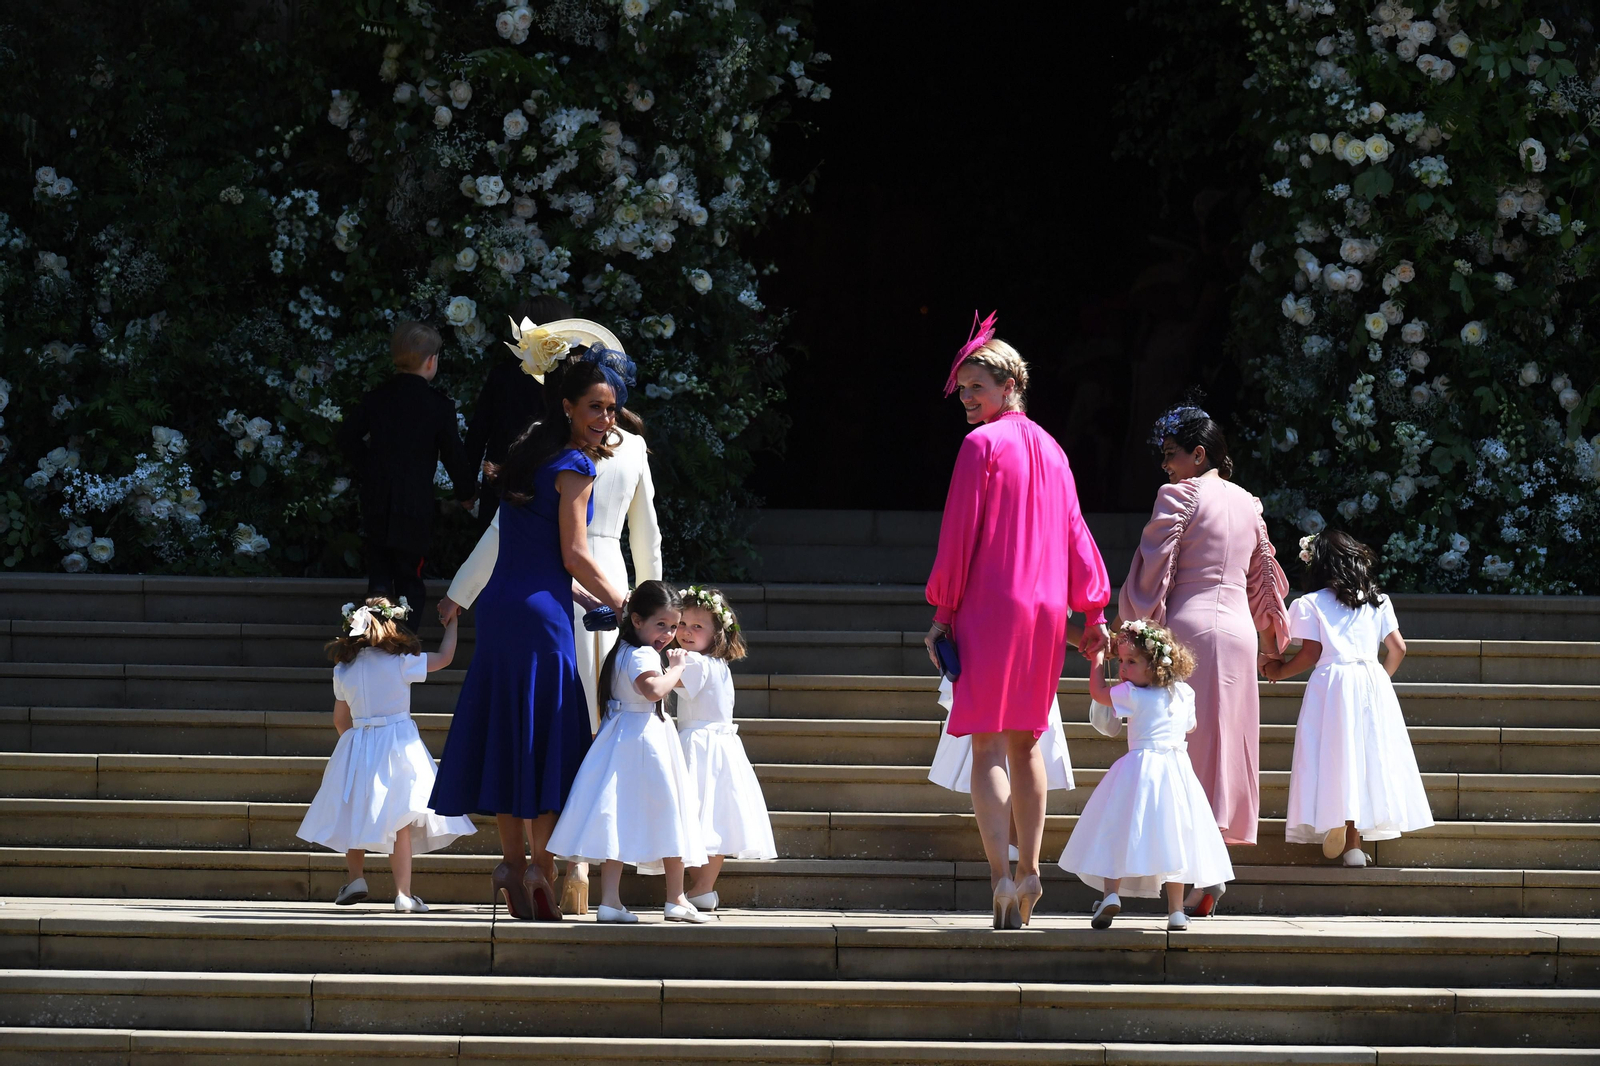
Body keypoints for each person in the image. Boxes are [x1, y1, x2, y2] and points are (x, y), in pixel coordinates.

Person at [442, 317, 662, 914]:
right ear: (567, 404)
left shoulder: (524, 453)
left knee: (510, 738)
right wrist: (624, 605)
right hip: (544, 619)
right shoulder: (576, 466)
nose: (606, 420)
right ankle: (543, 870)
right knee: (544, 744)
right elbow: (574, 553)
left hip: (507, 609)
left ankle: (513, 869)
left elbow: (522, 543)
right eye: (596, 407)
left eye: (612, 409)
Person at [923, 312, 1112, 930]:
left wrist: (943, 611)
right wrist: (1094, 608)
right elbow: (1076, 532)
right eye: (964, 389)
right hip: (1044, 612)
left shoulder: (980, 446)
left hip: (989, 606)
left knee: (986, 746)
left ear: (1009, 385)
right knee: (1028, 740)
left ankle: (1002, 877)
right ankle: (1030, 868)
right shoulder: (1054, 449)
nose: (967, 399)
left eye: (976, 387)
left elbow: (959, 536)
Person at [1116, 404, 1289, 914]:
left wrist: (1134, 625)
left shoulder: (1179, 495)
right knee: (1224, 750)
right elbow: (1264, 582)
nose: (1165, 466)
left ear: (1198, 454)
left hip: (1191, 629)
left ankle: (1202, 871)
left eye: (1171, 456)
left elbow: (1152, 575)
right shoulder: (1248, 504)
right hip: (1238, 634)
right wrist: (1272, 638)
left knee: (1185, 752)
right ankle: (1208, 871)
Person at [1261, 530, 1433, 866]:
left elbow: (1311, 653)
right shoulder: (1379, 600)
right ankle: (1354, 845)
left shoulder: (1310, 603)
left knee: (1333, 753)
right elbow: (1398, 648)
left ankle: (1334, 817)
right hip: (1371, 680)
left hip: (1332, 682)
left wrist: (1276, 672)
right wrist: (1379, 680)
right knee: (1366, 757)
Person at [546, 582, 713, 923]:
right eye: (661, 625)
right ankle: (675, 897)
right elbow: (651, 690)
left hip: (622, 737)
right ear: (636, 620)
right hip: (645, 741)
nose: (668, 634)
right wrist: (677, 668)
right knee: (670, 811)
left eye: (673, 626)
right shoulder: (643, 653)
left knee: (617, 817)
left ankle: (610, 900)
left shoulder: (622, 649)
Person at [296, 597, 476, 913]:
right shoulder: (401, 662)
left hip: (359, 740)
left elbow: (340, 720)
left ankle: (355, 878)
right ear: (391, 625)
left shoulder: (344, 669)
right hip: (397, 745)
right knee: (400, 818)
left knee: (354, 810)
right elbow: (446, 657)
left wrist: (356, 746)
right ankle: (403, 894)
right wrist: (453, 623)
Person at [1058, 620, 1233, 931]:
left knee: (1119, 829)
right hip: (1177, 772)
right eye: (1121, 661)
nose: (1123, 669)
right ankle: (1176, 911)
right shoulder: (1184, 693)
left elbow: (1099, 694)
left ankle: (1111, 894)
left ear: (1154, 666)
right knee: (1174, 836)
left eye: (1131, 662)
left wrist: (1099, 659)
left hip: (1138, 769)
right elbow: (1190, 726)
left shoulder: (1131, 694)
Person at [338, 321, 477, 622]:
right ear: (431, 361)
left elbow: (347, 437)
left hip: (377, 499)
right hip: (415, 504)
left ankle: (373, 639)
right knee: (409, 577)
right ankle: (404, 642)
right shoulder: (438, 406)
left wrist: (370, 467)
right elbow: (453, 455)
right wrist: (467, 494)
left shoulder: (376, 398)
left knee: (378, 574)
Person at [927, 617, 1084, 858]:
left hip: (985, 633)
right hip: (1034, 643)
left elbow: (951, 581)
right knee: (1026, 747)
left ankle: (1001, 867)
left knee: (989, 748)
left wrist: (941, 622)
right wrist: (1097, 632)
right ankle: (1026, 862)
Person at [673, 585, 777, 910]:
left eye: (697, 626)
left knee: (691, 816)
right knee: (716, 820)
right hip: (722, 748)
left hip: (696, 747)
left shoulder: (692, 662)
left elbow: (665, 684)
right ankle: (703, 887)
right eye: (682, 624)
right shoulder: (720, 666)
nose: (687, 632)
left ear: (716, 633)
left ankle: (698, 886)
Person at [462, 295, 572, 533]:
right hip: (553, 477)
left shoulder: (502, 375)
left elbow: (478, 431)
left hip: (503, 476)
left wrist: (466, 485)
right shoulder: (569, 380)